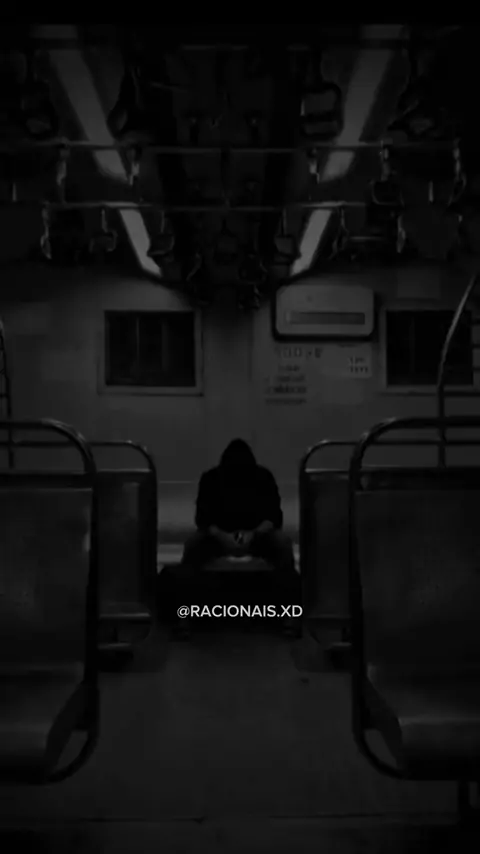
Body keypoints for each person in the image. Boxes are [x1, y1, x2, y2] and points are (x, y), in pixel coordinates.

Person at [176, 439, 300, 633]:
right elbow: (274, 517)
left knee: (193, 547)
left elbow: (203, 519)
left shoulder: (212, 478)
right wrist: (250, 534)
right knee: (282, 546)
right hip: (249, 536)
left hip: (232, 535)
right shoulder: (261, 477)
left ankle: (185, 617)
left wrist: (227, 535)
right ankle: (289, 616)